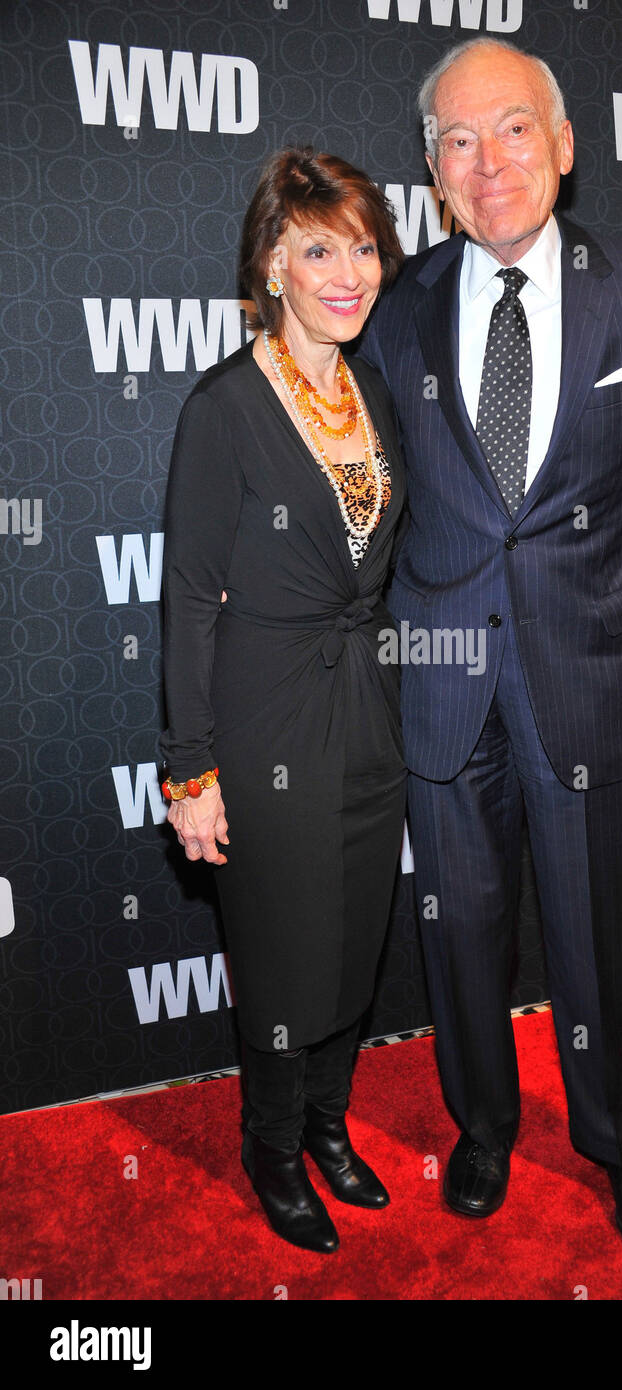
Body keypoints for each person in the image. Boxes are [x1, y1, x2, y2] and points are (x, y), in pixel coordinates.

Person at [357, 38, 622, 1254]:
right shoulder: (395, 310)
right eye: (457, 140)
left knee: (594, 929)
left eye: (512, 128)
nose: (487, 160)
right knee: (459, 923)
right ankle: (480, 1126)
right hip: (441, 679)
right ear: (431, 170)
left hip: (592, 674)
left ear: (564, 146)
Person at [159, 148, 406, 1254]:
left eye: (362, 245)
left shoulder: (374, 389)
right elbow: (188, 601)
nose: (347, 272)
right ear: (272, 263)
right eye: (319, 248)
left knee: (354, 940)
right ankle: (271, 1147)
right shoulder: (224, 406)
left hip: (365, 709)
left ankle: (326, 1123)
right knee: (280, 948)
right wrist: (191, 768)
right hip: (262, 723)